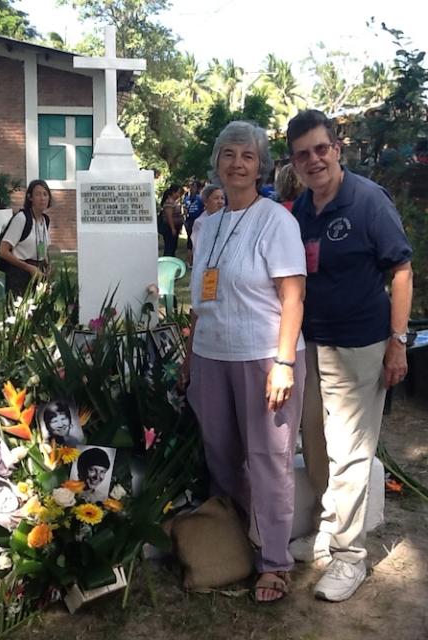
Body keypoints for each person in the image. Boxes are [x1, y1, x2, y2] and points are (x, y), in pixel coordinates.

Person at [286, 109, 413, 602]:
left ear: (336, 149)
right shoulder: (300, 210)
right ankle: (325, 533)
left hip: (360, 346)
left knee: (350, 452)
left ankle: (350, 557)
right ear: (295, 163)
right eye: (303, 154)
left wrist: (397, 342)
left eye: (321, 148)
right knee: (315, 446)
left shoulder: (367, 201)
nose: (314, 159)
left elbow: (401, 271)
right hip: (313, 345)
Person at [184, 120, 307, 602]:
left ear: (261, 166)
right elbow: (200, 299)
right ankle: (232, 544)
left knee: (268, 461)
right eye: (229, 154)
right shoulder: (204, 225)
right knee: (220, 455)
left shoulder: (277, 221)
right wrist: (190, 355)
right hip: (211, 355)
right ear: (216, 162)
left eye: (248, 156)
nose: (238, 163)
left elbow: (293, 297)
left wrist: (283, 363)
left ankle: (274, 562)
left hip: (263, 356)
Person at [0, 179, 52, 298]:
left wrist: (47, 266)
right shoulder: (22, 218)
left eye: (45, 194)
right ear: (30, 198)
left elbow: (43, 248)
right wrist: (28, 267)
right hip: (19, 274)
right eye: (38, 194)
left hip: (37, 273)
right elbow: (3, 251)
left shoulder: (45, 220)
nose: (42, 198)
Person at [190, 185, 225, 254]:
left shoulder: (228, 219)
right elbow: (199, 249)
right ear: (206, 202)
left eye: (222, 198)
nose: (220, 201)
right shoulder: (200, 222)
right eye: (216, 198)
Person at [183, 181, 204, 267]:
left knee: (197, 240)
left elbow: (203, 208)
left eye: (194, 187)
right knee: (190, 240)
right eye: (191, 187)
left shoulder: (200, 198)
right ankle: (189, 260)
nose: (192, 189)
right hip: (189, 221)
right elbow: (185, 209)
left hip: (198, 221)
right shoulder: (186, 198)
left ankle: (195, 260)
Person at [159, 184, 183, 257]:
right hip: (169, 228)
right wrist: (173, 228)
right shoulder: (169, 202)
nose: (179, 195)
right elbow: (169, 216)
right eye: (178, 192)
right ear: (173, 192)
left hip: (175, 227)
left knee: (173, 246)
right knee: (169, 247)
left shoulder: (174, 202)